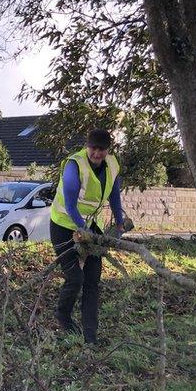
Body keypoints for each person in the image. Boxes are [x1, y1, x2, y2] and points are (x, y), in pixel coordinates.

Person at [49, 128, 124, 344]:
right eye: (93, 148)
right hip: (64, 224)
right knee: (76, 278)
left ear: (108, 150)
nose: (97, 153)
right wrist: (84, 230)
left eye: (102, 149)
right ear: (87, 146)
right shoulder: (75, 165)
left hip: (92, 226)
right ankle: (63, 317)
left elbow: (114, 194)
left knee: (92, 282)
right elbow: (71, 206)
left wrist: (119, 222)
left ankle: (90, 336)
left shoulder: (112, 165)